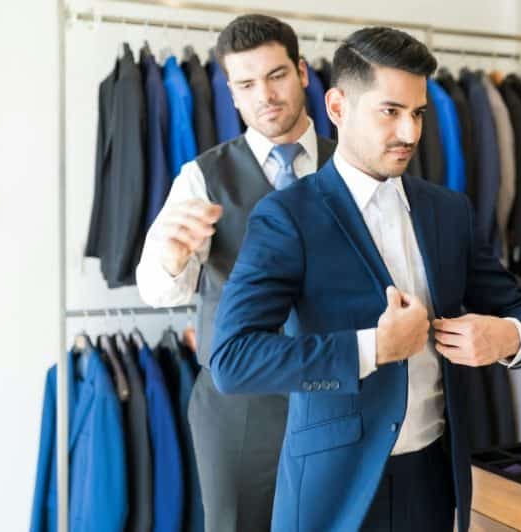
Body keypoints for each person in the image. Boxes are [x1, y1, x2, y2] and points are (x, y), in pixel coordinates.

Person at [209, 26, 521, 532]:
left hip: (432, 479)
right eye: (390, 111)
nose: (409, 132)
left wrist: (505, 337)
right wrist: (373, 348)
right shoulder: (287, 217)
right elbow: (233, 361)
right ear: (338, 107)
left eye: (418, 114)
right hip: (334, 488)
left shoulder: (449, 211)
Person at [135, 14, 336, 532]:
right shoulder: (201, 176)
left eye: (276, 76)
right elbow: (157, 290)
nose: (264, 95)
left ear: (302, 73)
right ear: (232, 91)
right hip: (239, 405)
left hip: (337, 392)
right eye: (246, 84)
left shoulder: (353, 167)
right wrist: (173, 257)